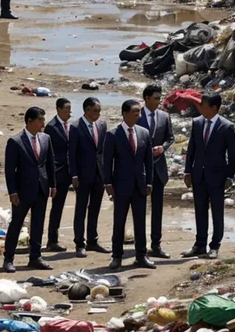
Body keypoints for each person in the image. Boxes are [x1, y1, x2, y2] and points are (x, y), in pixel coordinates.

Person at [182, 94, 235, 259]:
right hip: (198, 175)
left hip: (217, 177)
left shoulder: (226, 127)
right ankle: (199, 245)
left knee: (217, 213)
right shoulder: (197, 123)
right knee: (200, 211)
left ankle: (214, 246)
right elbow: (191, 149)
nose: (200, 108)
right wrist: (187, 171)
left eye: (203, 105)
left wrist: (229, 177)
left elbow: (232, 155)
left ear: (214, 107)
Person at [104, 99, 155, 271]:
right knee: (119, 222)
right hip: (121, 185)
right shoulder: (112, 134)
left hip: (139, 184)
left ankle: (141, 256)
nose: (137, 115)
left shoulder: (144, 133)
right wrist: (108, 183)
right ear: (124, 113)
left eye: (139, 112)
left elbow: (149, 161)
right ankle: (116, 257)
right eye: (134, 111)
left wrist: (149, 182)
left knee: (140, 222)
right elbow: (106, 162)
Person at [3, 107, 56, 272]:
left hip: (41, 188)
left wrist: (53, 185)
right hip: (22, 190)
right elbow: (10, 170)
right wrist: (12, 192)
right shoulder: (16, 141)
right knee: (16, 224)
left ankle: (35, 257)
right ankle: (8, 258)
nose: (43, 123)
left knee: (38, 223)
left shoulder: (46, 139)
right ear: (30, 121)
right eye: (40, 119)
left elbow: (49, 164)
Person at [137, 84, 174, 258]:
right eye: (156, 98)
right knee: (139, 208)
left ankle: (156, 244)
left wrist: (162, 148)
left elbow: (170, 138)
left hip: (158, 167)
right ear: (147, 98)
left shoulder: (164, 116)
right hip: (140, 168)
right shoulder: (136, 114)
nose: (159, 101)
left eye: (160, 98)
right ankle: (140, 245)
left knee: (157, 208)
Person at [69, 97, 109, 258]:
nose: (98, 114)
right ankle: (80, 243)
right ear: (86, 110)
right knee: (81, 209)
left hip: (99, 173)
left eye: (99, 111)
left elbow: (103, 150)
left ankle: (93, 240)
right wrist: (74, 174)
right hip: (83, 174)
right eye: (95, 111)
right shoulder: (75, 127)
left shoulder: (101, 125)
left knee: (95, 208)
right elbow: (71, 153)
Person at [45, 98, 72, 252]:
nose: (69, 112)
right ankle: (52, 240)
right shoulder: (51, 128)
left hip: (71, 171)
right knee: (56, 207)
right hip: (59, 172)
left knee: (60, 206)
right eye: (66, 109)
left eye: (70, 109)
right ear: (58, 109)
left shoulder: (71, 126)